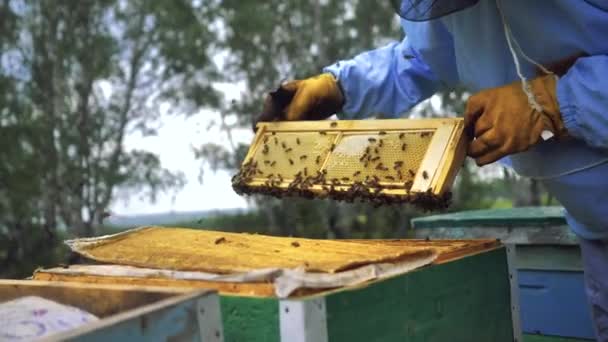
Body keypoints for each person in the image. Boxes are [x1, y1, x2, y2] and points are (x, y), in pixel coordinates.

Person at [255, 0, 608, 339]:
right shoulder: (453, 7)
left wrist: (557, 102)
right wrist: (340, 86)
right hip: (596, 233)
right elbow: (425, 57)